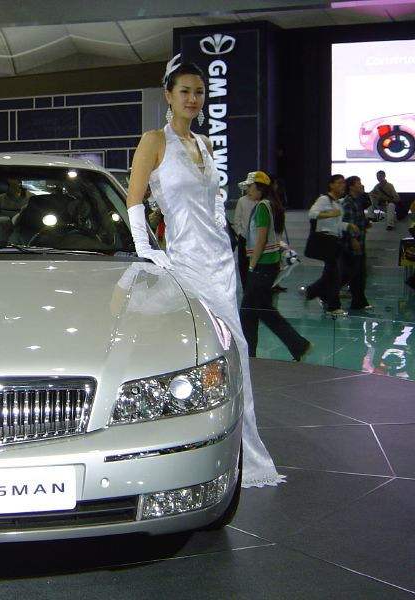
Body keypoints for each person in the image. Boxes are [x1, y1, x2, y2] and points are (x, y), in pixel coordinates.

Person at [126, 54, 283, 488]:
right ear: (168, 95)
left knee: (234, 350)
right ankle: (186, 448)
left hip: (220, 262)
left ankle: (241, 453)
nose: (193, 98)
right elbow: (134, 199)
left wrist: (219, 228)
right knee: (198, 350)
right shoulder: (153, 142)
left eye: (199, 92)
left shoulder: (206, 144)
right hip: (186, 262)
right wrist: (146, 249)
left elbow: (214, 198)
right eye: (185, 91)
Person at [238, 170, 311, 361]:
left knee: (264, 311)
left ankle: (298, 344)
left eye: (250, 187)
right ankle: (250, 354)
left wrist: (252, 266)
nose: (248, 190)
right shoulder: (271, 205)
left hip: (261, 266)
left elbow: (261, 239)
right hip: (266, 265)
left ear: (259, 187)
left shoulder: (263, 207)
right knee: (248, 312)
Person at [302, 174, 357, 316]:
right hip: (325, 240)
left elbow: (336, 224)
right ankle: (332, 306)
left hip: (334, 240)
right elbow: (312, 214)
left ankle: (313, 292)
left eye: (343, 183)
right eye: (339, 183)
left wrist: (348, 225)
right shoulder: (324, 199)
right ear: (331, 185)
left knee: (331, 274)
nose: (342, 185)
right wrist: (330, 214)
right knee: (334, 275)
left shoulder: (337, 203)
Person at [341, 176, 372, 311]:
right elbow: (347, 221)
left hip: (360, 241)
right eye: (358, 183)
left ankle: (359, 301)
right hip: (352, 243)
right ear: (351, 186)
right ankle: (324, 294)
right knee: (351, 273)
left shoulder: (357, 201)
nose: (361, 185)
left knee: (359, 274)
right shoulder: (348, 202)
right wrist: (353, 239)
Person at [232, 186, 254, 290]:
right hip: (244, 238)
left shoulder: (261, 202)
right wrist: (240, 233)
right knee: (243, 265)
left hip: (256, 238)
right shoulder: (242, 201)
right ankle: (246, 288)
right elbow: (237, 219)